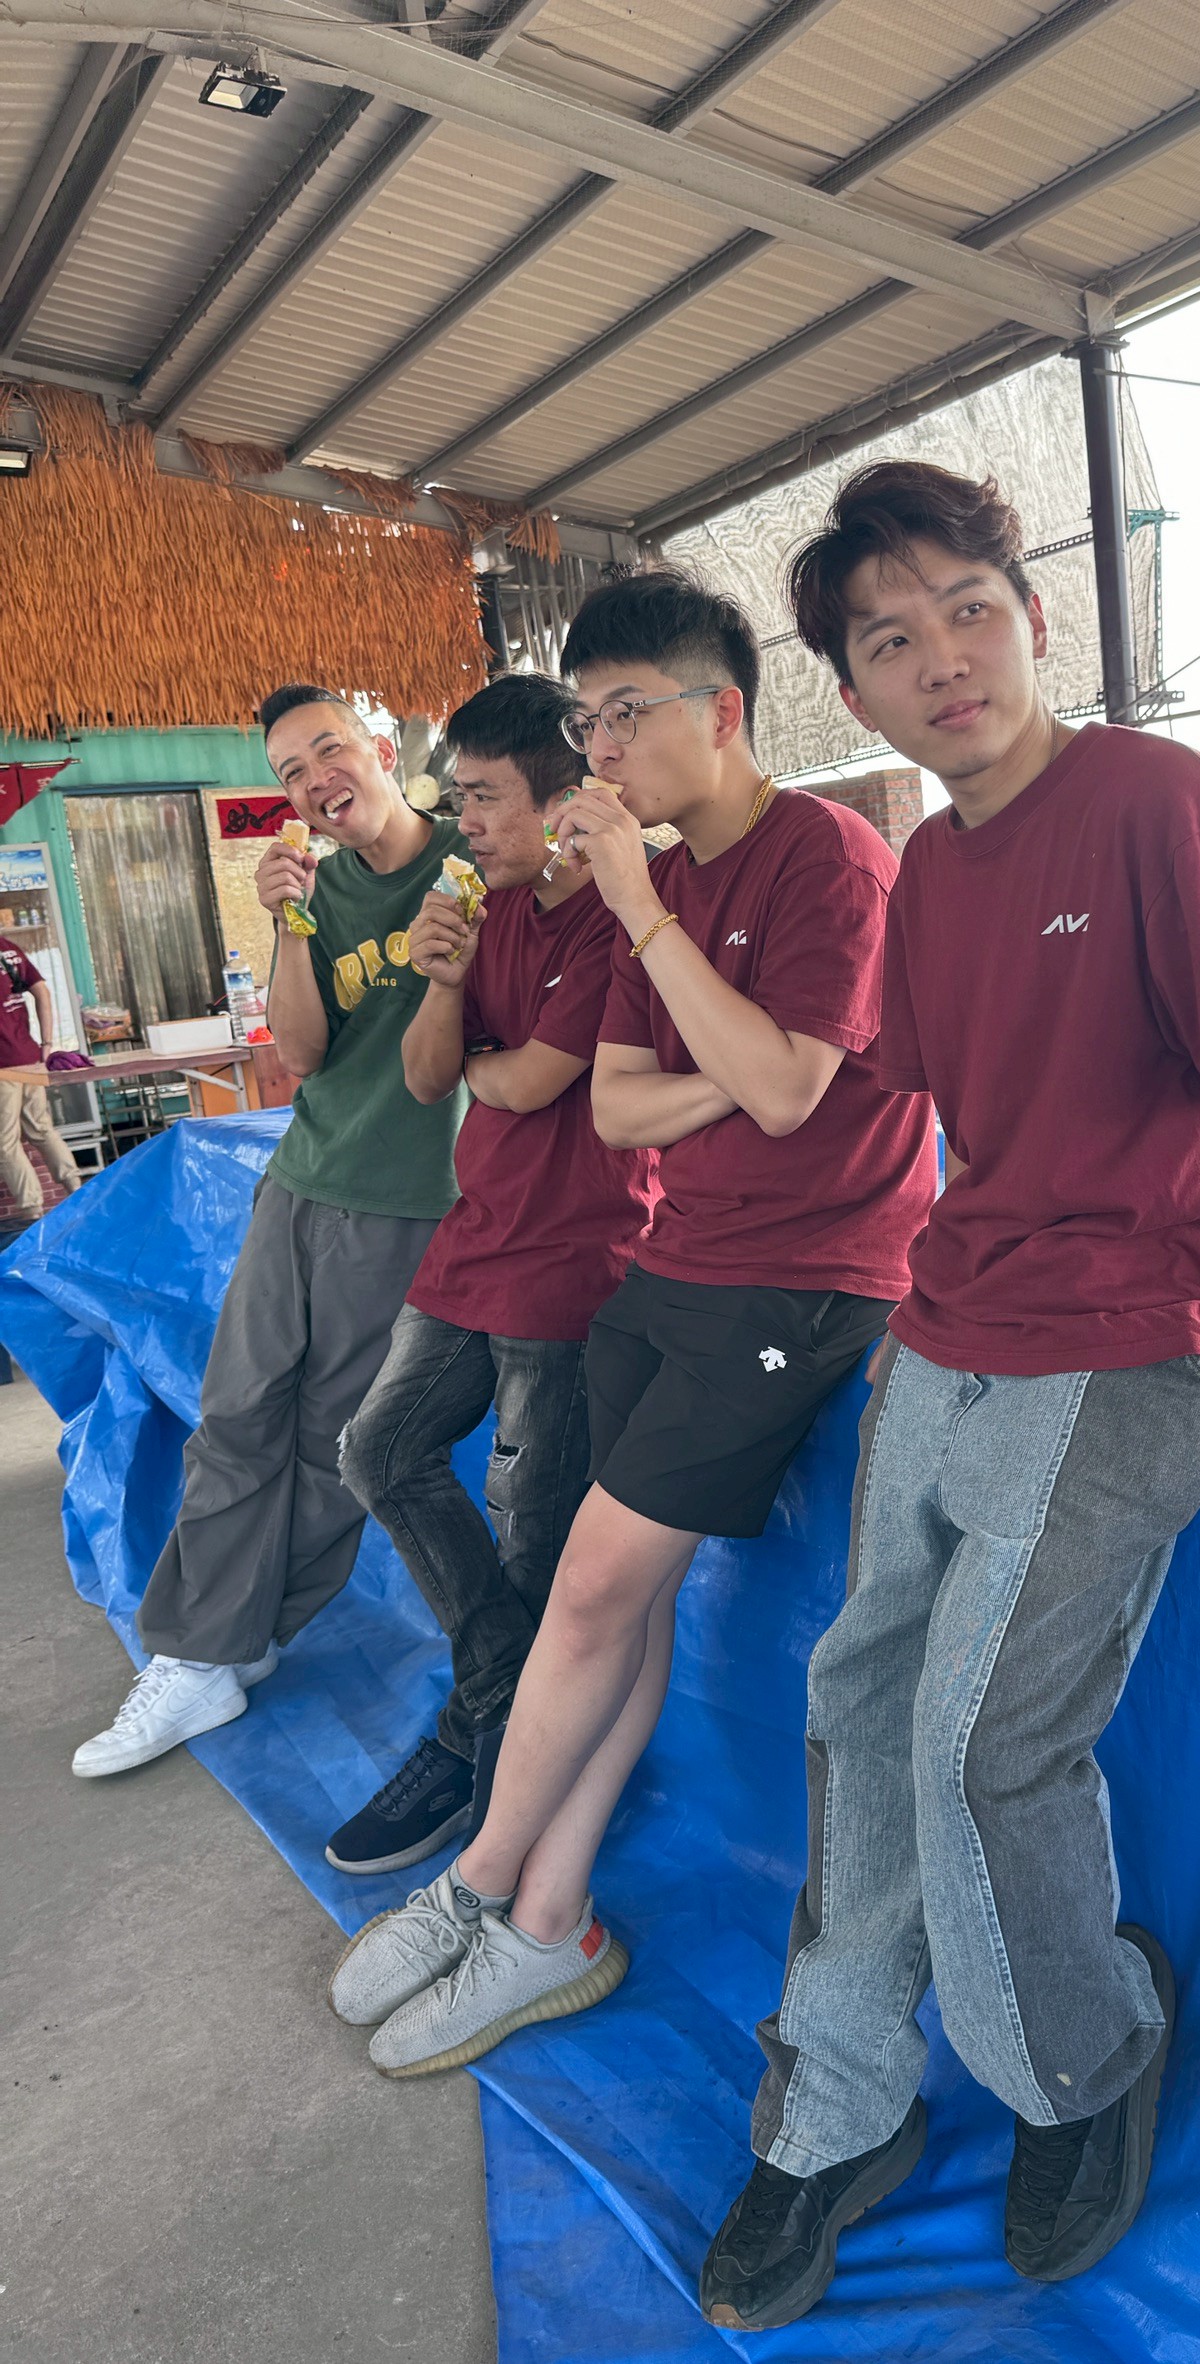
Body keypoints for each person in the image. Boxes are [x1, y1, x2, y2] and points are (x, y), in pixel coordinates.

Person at [698, 462, 1200, 2330]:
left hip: (1145, 1320)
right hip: (956, 1317)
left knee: (973, 1736)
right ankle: (835, 2105)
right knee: (856, 1699)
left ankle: (1080, 2059)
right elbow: (924, 1111)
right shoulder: (929, 866)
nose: (941, 660)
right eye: (888, 640)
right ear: (850, 688)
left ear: (1031, 618)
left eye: (968, 611)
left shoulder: (1161, 804)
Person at [327, 568, 935, 2076]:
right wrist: (733, 1051)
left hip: (805, 1282)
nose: (596, 752)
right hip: (674, 1262)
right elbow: (616, 1103)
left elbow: (789, 1092)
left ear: (718, 713)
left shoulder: (824, 860)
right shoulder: (650, 893)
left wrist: (676, 962)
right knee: (622, 1602)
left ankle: (481, 1888)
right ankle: (553, 1915)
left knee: (590, 1583)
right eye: (585, 723)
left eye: (619, 717)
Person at [73, 688, 467, 1778]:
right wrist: (289, 923)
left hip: (408, 1202)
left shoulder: (470, 865)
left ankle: (245, 1639)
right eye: (291, 771)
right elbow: (299, 1053)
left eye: (327, 751)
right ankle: (200, 1649)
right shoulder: (320, 890)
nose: (313, 781)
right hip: (300, 1181)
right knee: (237, 1410)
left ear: (379, 749)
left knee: (335, 1442)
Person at [324, 674, 655, 1876]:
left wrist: (481, 1051)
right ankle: (501, 1705)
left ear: (560, 802)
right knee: (376, 1450)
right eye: (455, 797)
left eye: (481, 798)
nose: (459, 822)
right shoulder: (483, 908)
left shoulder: (617, 919)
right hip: (472, 1243)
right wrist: (447, 983)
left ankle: (490, 1757)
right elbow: (431, 1079)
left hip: (575, 1263)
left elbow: (524, 1082)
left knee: (533, 1529)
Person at [0, 931, 83, 1223]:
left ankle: (32, 1210)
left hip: (3, 1065)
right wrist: (47, 1044)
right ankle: (75, 1188)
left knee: (5, 1142)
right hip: (29, 1056)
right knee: (41, 1129)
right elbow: (43, 992)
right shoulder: (8, 948)